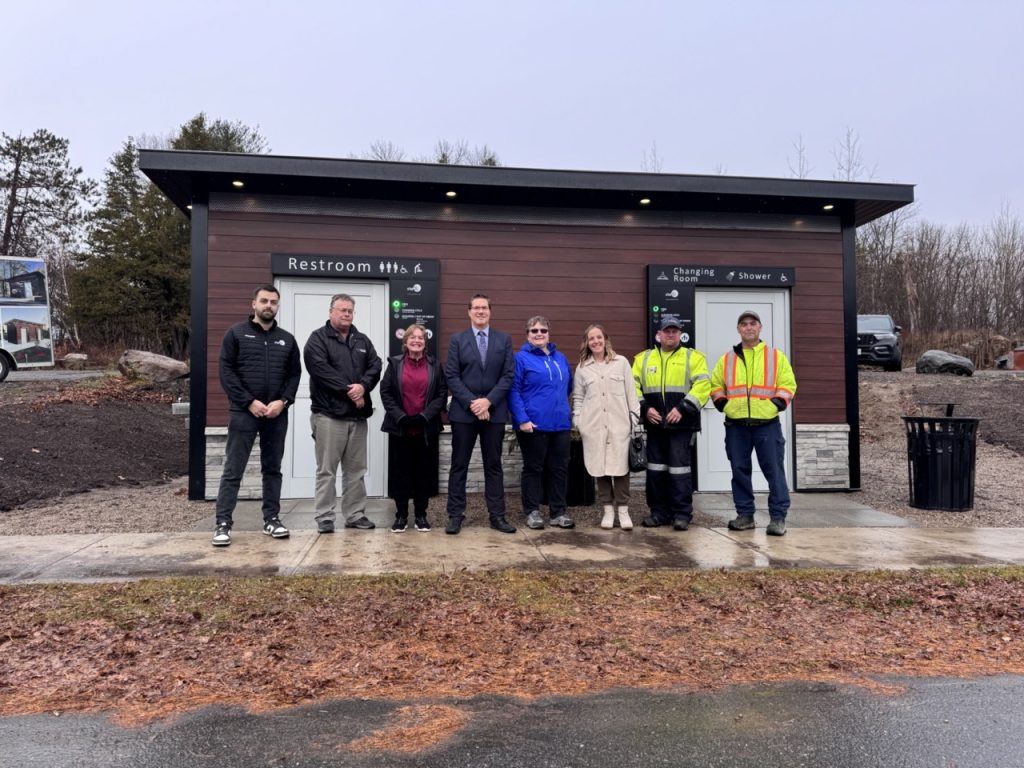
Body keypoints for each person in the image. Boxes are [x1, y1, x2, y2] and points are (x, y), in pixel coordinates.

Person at [213, 285, 302, 547]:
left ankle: (271, 519)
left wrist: (283, 402)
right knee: (233, 469)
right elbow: (226, 372)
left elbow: (294, 374)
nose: (268, 306)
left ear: (278, 306)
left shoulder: (287, 339)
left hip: (276, 414)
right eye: (264, 301)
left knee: (272, 469)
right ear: (254, 304)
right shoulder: (236, 334)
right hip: (244, 412)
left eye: (273, 302)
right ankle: (223, 523)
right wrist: (248, 401)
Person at [710, 310, 797, 536]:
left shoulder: (776, 356)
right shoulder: (727, 359)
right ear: (738, 329)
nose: (748, 327)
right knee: (739, 471)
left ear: (760, 327)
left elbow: (788, 384)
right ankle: (745, 516)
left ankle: (778, 518)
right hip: (736, 425)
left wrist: (775, 404)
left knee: (774, 471)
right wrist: (723, 404)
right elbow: (716, 384)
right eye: (744, 324)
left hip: (767, 424)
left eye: (752, 323)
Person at [303, 293, 383, 533]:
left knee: (356, 471)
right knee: (326, 470)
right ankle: (325, 516)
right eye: (342, 310)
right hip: (329, 416)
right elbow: (321, 370)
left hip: (357, 418)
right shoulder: (317, 339)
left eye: (350, 311)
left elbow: (376, 365)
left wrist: (363, 387)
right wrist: (351, 391)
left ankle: (355, 514)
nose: (347, 314)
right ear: (331, 312)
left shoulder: (362, 340)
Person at [444, 294, 517, 535]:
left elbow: (508, 375)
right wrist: (474, 403)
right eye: (476, 308)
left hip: (494, 413)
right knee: (459, 465)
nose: (480, 311)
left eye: (484, 307)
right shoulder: (457, 340)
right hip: (464, 414)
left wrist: (488, 401)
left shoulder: (503, 340)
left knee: (493, 465)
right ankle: (455, 515)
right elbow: (452, 376)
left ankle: (497, 516)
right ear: (469, 312)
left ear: (490, 311)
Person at [632, 315, 711, 531]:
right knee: (655, 471)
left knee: (679, 470)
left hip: (682, 426)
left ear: (680, 334)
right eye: (666, 330)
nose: (670, 334)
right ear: (659, 334)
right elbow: (632, 386)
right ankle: (658, 513)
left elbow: (703, 386)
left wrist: (682, 408)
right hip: (655, 425)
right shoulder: (643, 359)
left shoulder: (693, 357)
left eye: (674, 331)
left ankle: (681, 514)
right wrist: (645, 409)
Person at [379, 324, 448, 532]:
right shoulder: (395, 364)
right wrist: (401, 417)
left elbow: (441, 394)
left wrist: (424, 416)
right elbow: (386, 392)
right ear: (406, 341)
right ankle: (401, 516)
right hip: (400, 428)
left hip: (426, 429)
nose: (417, 340)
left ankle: (421, 515)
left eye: (421, 338)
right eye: (413, 337)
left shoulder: (435, 365)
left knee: (423, 475)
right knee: (401, 474)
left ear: (425, 343)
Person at [573, 323, 641, 530]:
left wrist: (633, 419)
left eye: (599, 337)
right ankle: (608, 511)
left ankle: (623, 510)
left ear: (605, 339)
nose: (596, 341)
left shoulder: (621, 363)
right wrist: (579, 421)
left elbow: (631, 394)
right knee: (599, 468)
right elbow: (578, 398)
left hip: (619, 426)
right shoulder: (582, 368)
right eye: (591, 338)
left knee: (620, 470)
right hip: (593, 427)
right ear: (587, 343)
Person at [509, 315, 574, 529]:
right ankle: (532, 511)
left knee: (559, 468)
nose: (539, 334)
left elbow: (568, 386)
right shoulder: (520, 358)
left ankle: (558, 512)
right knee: (533, 468)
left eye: (543, 330)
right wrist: (522, 419)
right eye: (534, 330)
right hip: (533, 425)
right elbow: (513, 390)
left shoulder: (560, 358)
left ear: (548, 333)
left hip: (560, 424)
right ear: (527, 334)